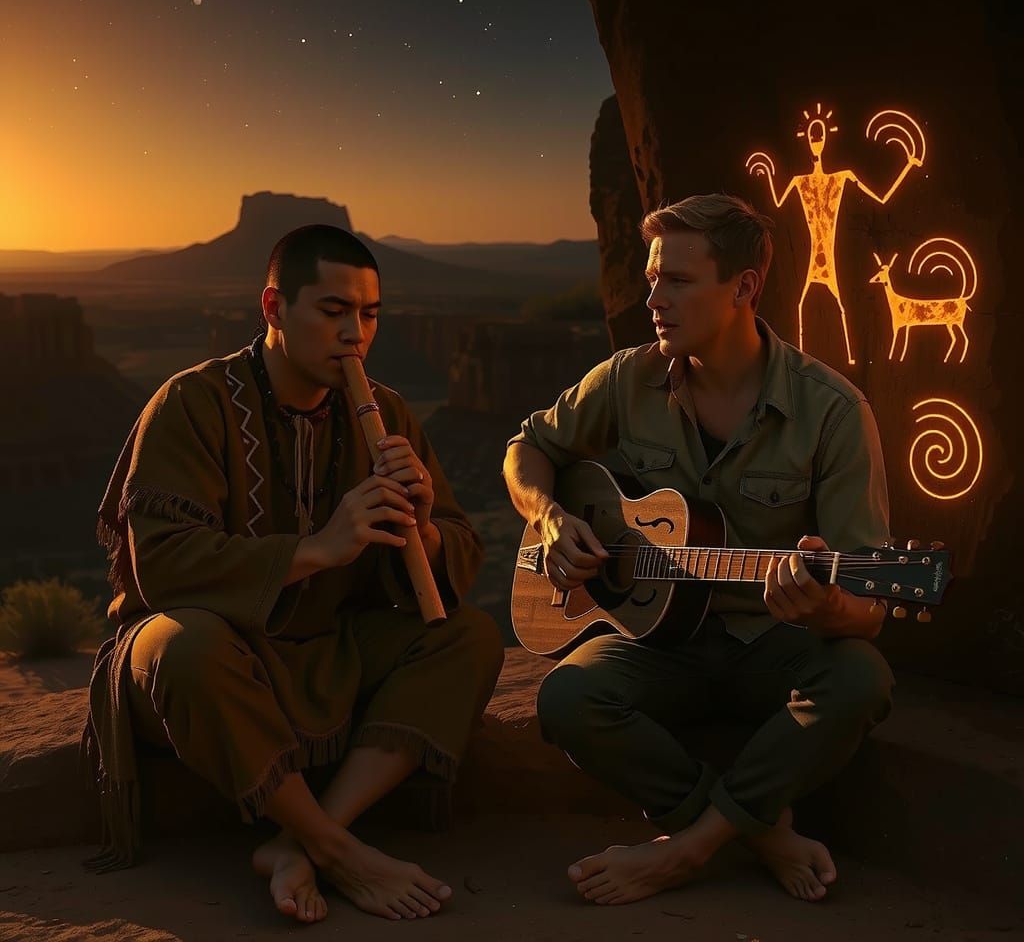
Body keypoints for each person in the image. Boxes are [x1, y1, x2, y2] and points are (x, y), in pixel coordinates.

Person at [83, 224, 504, 924]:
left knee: (470, 637)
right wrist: (320, 546)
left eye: (370, 315)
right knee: (179, 647)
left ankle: (303, 841)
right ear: (274, 308)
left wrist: (424, 529)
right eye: (334, 311)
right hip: (221, 660)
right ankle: (340, 852)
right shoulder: (192, 402)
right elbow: (162, 566)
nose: (356, 334)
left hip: (331, 650)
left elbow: (456, 545)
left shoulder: (389, 410)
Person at [502, 194, 894, 906]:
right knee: (566, 695)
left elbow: (865, 613)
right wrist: (552, 516)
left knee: (861, 679)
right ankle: (760, 834)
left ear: (743, 287)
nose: (652, 298)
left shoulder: (833, 413)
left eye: (677, 281)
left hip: (769, 640)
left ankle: (686, 848)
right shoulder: (628, 378)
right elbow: (527, 447)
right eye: (652, 278)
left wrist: (827, 603)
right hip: (656, 643)